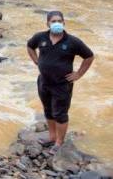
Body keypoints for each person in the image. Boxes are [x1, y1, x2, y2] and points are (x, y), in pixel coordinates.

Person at [26, 11, 95, 152]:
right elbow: (29, 46)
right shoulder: (40, 37)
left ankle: (59, 142)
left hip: (62, 84)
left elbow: (89, 56)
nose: (56, 23)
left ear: (64, 23)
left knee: (60, 114)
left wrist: (79, 74)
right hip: (44, 81)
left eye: (59, 21)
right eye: (53, 21)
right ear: (48, 23)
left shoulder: (73, 42)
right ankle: (51, 137)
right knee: (48, 110)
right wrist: (36, 60)